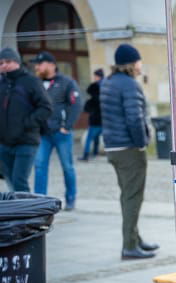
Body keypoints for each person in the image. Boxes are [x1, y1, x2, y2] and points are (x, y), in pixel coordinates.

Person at [101, 43, 158, 260]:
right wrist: (141, 142)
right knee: (133, 197)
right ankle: (129, 246)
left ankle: (135, 239)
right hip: (129, 148)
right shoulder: (129, 85)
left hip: (114, 147)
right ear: (132, 63)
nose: (140, 64)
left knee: (127, 195)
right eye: (139, 60)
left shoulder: (109, 82)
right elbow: (134, 118)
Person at [31, 51, 82, 210]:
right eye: (36, 64)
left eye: (40, 64)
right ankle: (40, 201)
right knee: (39, 166)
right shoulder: (34, 83)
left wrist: (67, 126)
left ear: (51, 65)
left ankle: (71, 199)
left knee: (67, 166)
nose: (37, 67)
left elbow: (76, 104)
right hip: (42, 134)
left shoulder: (66, 82)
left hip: (61, 133)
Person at [0, 47, 51, 193]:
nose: (4, 65)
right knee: (9, 179)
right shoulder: (1, 83)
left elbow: (46, 108)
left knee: (19, 181)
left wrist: (27, 124)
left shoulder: (31, 81)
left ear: (17, 62)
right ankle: (17, 211)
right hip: (3, 143)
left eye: (8, 61)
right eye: (1, 62)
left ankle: (27, 215)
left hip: (26, 141)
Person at [79, 69, 104, 162]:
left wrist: (89, 108)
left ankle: (86, 155)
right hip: (105, 118)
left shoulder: (94, 88)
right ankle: (95, 152)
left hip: (96, 119)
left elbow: (90, 105)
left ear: (98, 76)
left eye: (95, 76)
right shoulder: (106, 87)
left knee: (90, 138)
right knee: (99, 137)